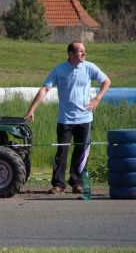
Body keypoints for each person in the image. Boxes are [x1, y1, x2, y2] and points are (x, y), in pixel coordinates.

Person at [24, 41, 111, 194]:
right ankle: (58, 185)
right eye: (80, 51)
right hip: (65, 119)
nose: (84, 54)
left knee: (81, 152)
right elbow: (45, 88)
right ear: (71, 53)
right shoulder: (59, 70)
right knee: (61, 152)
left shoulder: (89, 67)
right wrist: (32, 109)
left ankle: (77, 182)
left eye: (84, 51)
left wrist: (97, 98)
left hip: (85, 119)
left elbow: (106, 81)